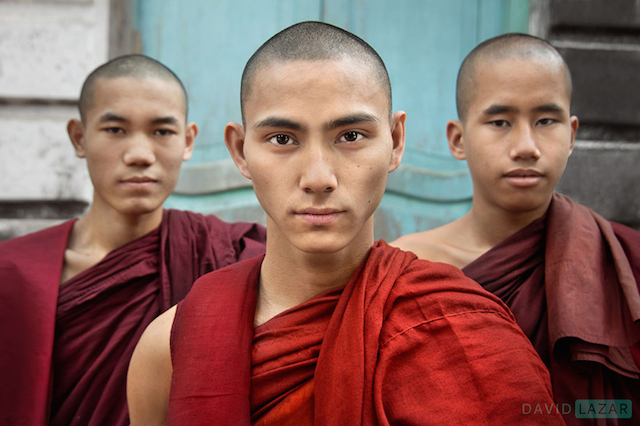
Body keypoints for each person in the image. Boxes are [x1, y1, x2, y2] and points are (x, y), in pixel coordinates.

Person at [128, 22, 562, 425]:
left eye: (351, 136)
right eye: (282, 139)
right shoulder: (170, 347)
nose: (318, 178)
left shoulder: (465, 331)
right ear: (240, 151)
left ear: (396, 142)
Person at [0, 55, 266, 426]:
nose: (140, 155)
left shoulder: (228, 255)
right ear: (79, 137)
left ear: (188, 141)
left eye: (162, 132)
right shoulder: (12, 274)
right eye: (114, 130)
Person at [392, 33, 640, 425]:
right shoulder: (410, 267)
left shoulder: (624, 263)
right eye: (500, 121)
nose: (526, 146)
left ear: (572, 134)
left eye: (546, 120)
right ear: (458, 140)